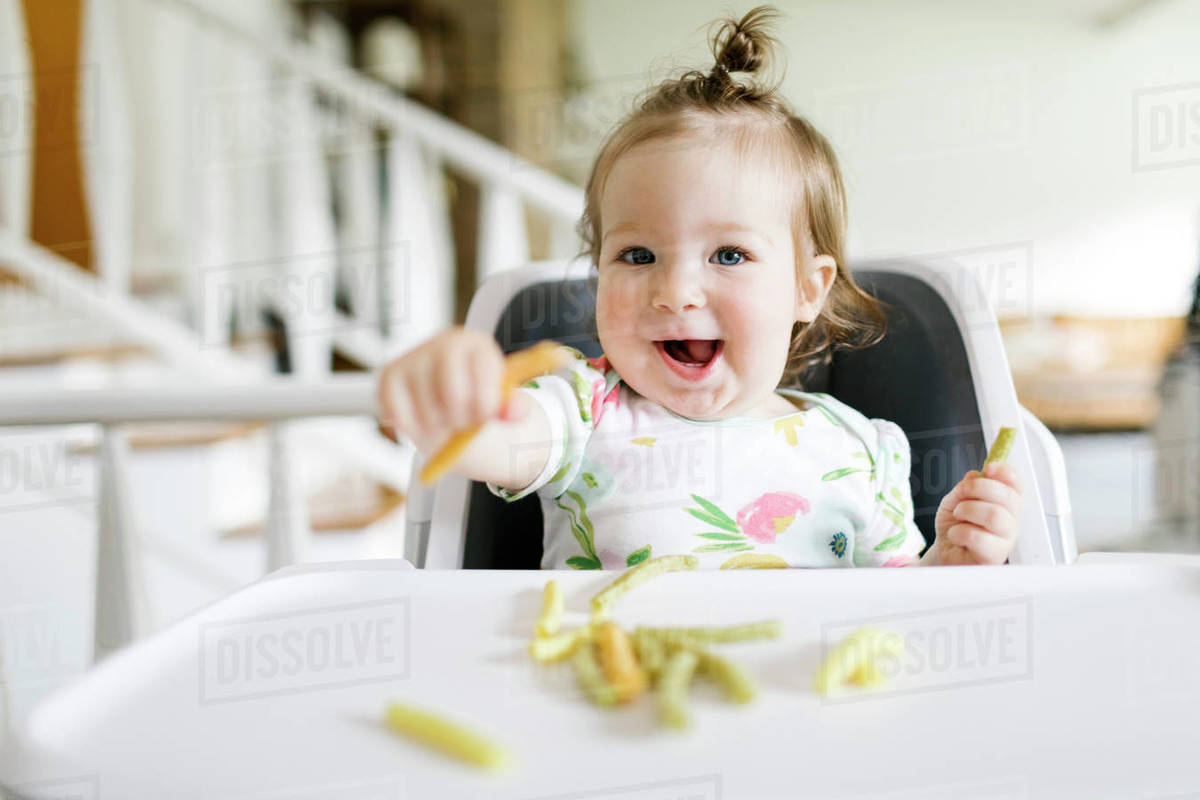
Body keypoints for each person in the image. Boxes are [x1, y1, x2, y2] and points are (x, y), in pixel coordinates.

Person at [378, 6, 1022, 569]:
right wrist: (447, 401)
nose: (676, 290)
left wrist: (952, 559)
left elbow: (897, 609)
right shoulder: (580, 411)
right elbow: (496, 441)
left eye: (729, 254)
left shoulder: (859, 448)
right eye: (637, 254)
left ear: (807, 288)